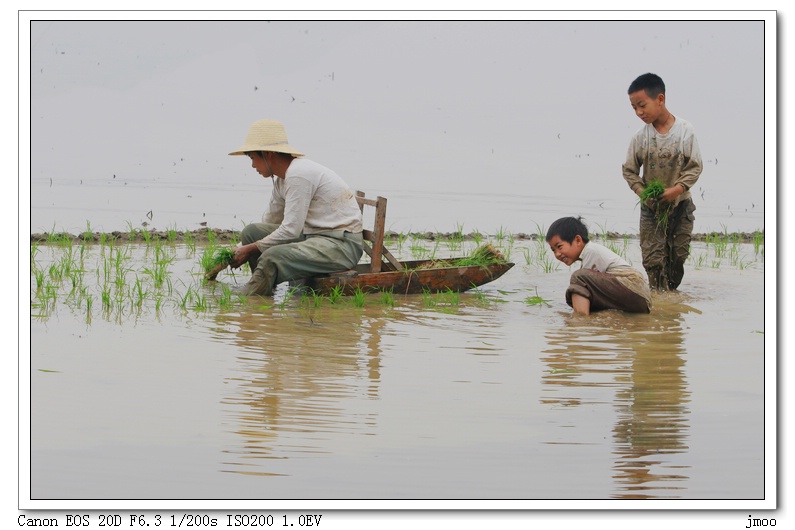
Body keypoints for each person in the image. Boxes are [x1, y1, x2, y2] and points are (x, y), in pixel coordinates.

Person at [227, 119, 364, 296]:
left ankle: (250, 299)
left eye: (253, 158)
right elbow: (271, 222)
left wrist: (250, 249)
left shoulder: (299, 175)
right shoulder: (282, 180)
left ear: (268, 154)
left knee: (271, 257)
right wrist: (238, 249)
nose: (253, 165)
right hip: (313, 236)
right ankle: (264, 288)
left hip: (340, 245)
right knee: (251, 232)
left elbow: (291, 230)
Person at [622, 73, 703, 291]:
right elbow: (629, 171)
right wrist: (644, 193)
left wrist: (676, 190)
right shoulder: (640, 138)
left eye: (642, 105)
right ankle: (658, 300)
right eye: (634, 108)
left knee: (678, 254)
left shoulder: (685, 131)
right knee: (653, 260)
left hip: (681, 205)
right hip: (652, 208)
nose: (638, 112)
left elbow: (694, 167)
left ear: (660, 99)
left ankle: (671, 294)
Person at [546, 217, 651, 315]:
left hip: (633, 287)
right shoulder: (589, 253)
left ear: (578, 240)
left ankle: (580, 320)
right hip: (638, 297)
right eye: (553, 250)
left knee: (578, 278)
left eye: (559, 247)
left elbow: (583, 287)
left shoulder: (590, 251)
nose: (557, 254)